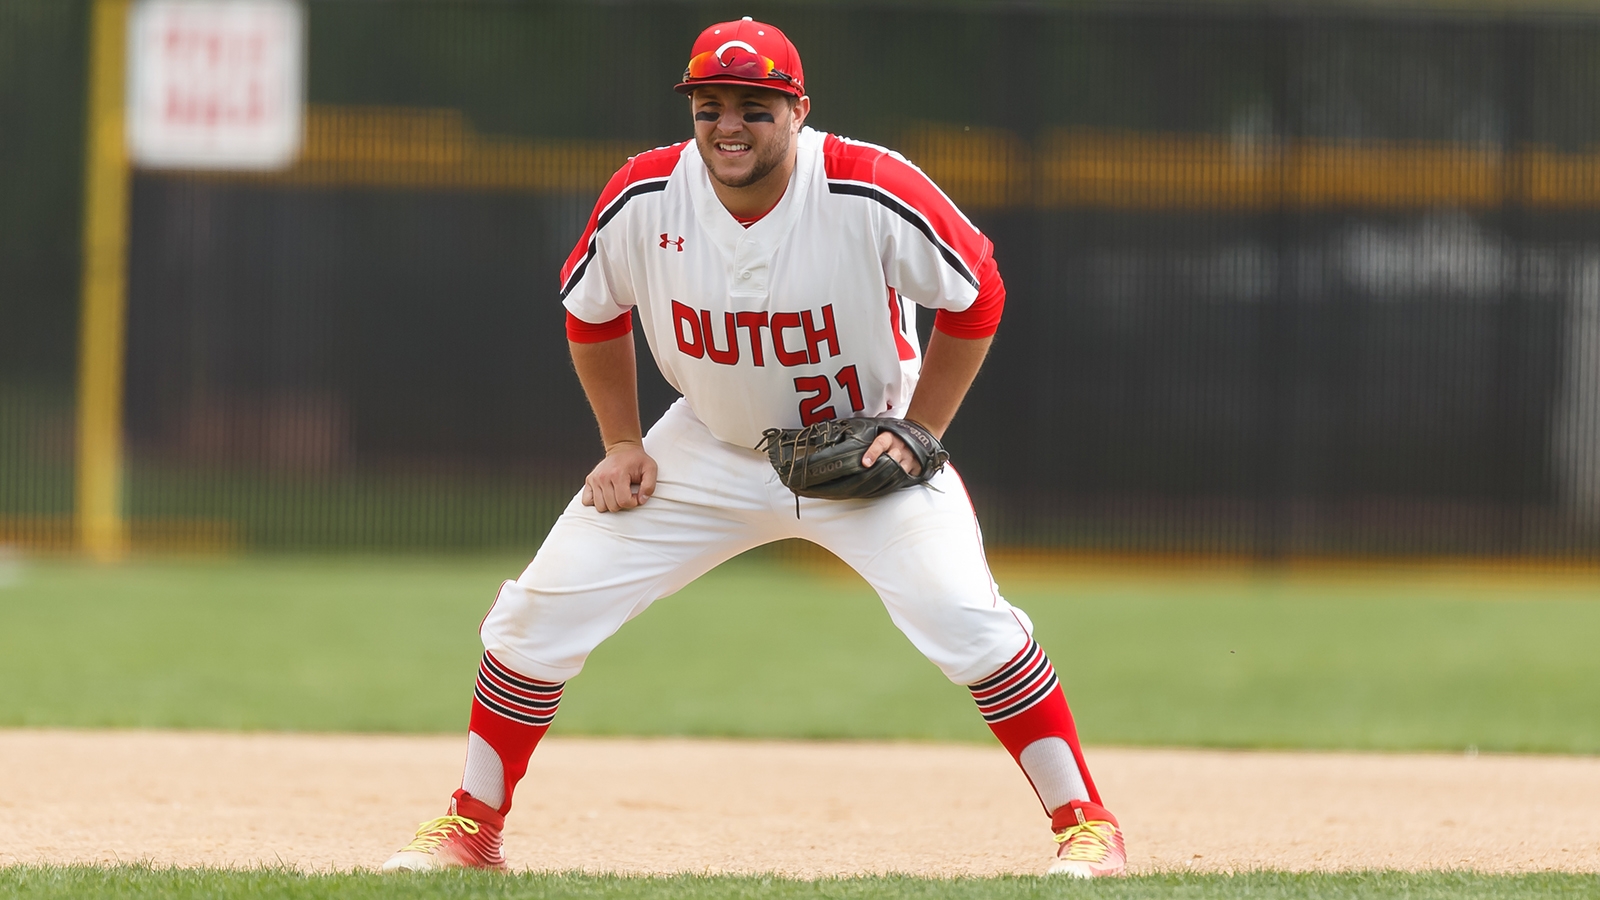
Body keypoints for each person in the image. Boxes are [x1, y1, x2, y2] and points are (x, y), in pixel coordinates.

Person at [381, 17, 1126, 878]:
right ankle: (471, 829)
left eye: (753, 106)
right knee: (537, 614)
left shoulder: (864, 186)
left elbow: (978, 289)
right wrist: (622, 440)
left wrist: (920, 430)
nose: (727, 124)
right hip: (711, 445)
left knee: (966, 620)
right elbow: (590, 309)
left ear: (797, 109)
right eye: (709, 105)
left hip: (865, 453)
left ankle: (1086, 823)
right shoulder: (645, 195)